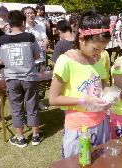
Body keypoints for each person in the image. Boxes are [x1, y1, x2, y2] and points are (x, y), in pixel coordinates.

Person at [49, 10, 112, 158]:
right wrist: (84, 100)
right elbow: (53, 99)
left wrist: (109, 96)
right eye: (95, 48)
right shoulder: (65, 61)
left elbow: (103, 86)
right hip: (79, 127)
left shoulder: (99, 58)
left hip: (101, 122)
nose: (99, 53)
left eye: (103, 49)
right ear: (82, 39)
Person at [0, 10, 41, 148]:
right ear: (23, 22)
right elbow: (36, 56)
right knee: (32, 106)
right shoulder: (30, 37)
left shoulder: (1, 40)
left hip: (12, 78)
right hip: (29, 77)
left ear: (9, 23)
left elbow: (0, 60)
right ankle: (35, 136)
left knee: (16, 108)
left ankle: (20, 138)